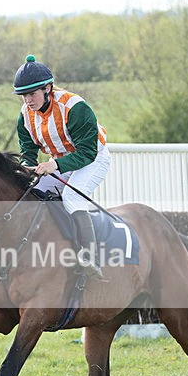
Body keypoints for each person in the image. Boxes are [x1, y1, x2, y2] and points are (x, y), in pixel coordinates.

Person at [13, 54, 111, 278]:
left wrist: (54, 165)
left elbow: (87, 152)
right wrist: (26, 167)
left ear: (48, 88)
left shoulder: (75, 107)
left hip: (93, 158)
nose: (28, 100)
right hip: (60, 161)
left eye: (32, 94)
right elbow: (28, 151)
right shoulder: (25, 116)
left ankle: (90, 257)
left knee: (72, 197)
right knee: (33, 194)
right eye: (23, 96)